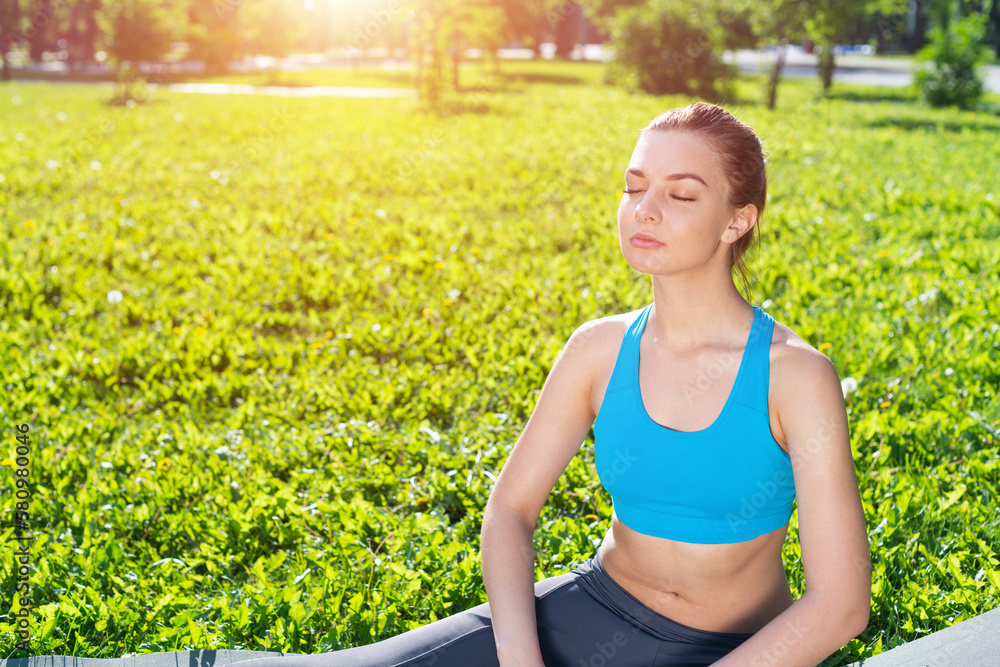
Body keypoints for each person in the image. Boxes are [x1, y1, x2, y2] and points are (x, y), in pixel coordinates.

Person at [227, 102, 872, 667]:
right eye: (633, 187)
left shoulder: (794, 375)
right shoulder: (599, 349)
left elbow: (840, 607)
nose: (644, 210)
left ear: (737, 221)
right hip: (591, 612)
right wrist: (521, 657)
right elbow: (510, 512)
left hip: (739, 651)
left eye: (680, 195)